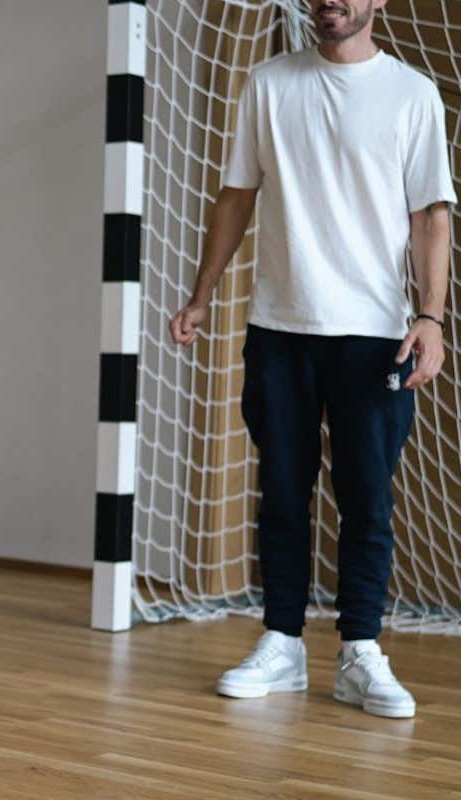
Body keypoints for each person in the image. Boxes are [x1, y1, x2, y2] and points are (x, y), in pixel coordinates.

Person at [170, 0, 454, 719]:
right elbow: (238, 195)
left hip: (377, 333)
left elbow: (430, 214)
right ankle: (282, 643)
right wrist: (202, 295)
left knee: (366, 498)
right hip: (280, 325)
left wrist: (431, 318)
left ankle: (361, 649)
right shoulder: (269, 83)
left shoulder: (412, 94)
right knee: (283, 494)